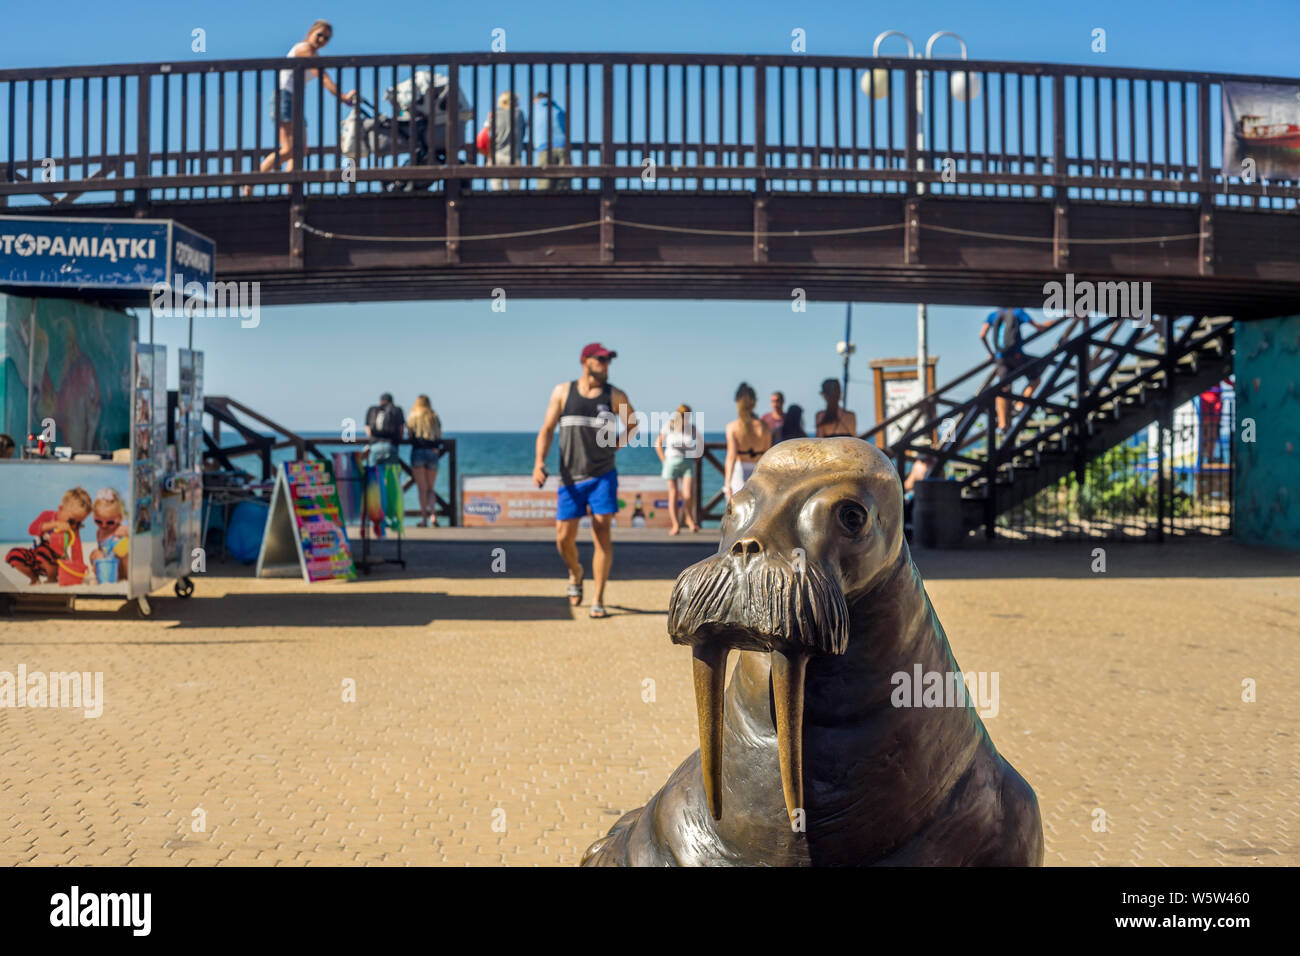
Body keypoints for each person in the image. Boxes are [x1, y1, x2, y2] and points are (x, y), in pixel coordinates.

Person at [534, 343, 636, 619]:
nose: (605, 365)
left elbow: (633, 424)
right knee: (563, 538)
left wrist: (616, 444)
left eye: (607, 361)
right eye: (600, 360)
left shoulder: (615, 395)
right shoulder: (562, 392)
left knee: (602, 529)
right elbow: (546, 430)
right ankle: (576, 572)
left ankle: (598, 599)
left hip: (603, 474)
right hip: (570, 478)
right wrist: (539, 463)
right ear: (585, 361)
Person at [244, 20, 356, 195]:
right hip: (285, 98)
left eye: (326, 38)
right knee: (289, 149)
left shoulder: (314, 55)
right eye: (319, 35)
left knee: (300, 149)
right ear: (310, 32)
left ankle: (291, 190)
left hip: (294, 102)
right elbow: (324, 79)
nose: (321, 40)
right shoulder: (305, 50)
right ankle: (251, 182)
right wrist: (343, 97)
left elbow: (325, 76)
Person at [980, 306, 1057, 433]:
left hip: (1001, 358)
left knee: (1002, 389)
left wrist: (991, 353)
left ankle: (1003, 423)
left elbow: (982, 335)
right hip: (1017, 356)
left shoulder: (994, 314)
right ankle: (1020, 405)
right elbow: (1039, 327)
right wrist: (1054, 321)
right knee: (1036, 377)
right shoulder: (1018, 312)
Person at [5, 487, 92, 585]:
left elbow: (77, 552)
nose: (74, 525)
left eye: (79, 523)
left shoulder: (73, 530)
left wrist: (78, 571)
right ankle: (34, 579)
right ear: (61, 509)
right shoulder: (48, 516)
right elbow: (32, 529)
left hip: (55, 564)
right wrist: (55, 524)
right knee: (14, 555)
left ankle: (52, 579)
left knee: (46, 550)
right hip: (37, 559)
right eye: (72, 521)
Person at [655, 404, 701, 535]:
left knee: (688, 494)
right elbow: (657, 444)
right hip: (671, 461)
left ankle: (689, 520)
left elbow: (699, 443)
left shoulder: (691, 428)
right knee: (673, 493)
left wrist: (697, 455)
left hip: (687, 462)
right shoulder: (669, 426)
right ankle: (675, 524)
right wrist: (664, 460)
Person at [724, 383, 772, 499]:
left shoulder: (732, 427)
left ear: (737, 402)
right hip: (759, 473)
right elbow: (767, 456)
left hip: (739, 474)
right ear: (754, 402)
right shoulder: (764, 427)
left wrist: (727, 484)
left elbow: (731, 457)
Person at [407, 395, 443, 527]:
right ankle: (433, 515)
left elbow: (410, 435)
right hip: (432, 452)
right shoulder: (433, 416)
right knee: (430, 489)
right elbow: (439, 435)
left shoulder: (413, 416)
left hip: (418, 452)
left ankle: (424, 519)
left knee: (422, 489)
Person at [87, 487, 130, 579]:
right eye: (98, 521)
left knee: (125, 551)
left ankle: (127, 577)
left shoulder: (121, 529)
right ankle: (102, 574)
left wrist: (128, 534)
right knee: (94, 553)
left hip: (123, 569)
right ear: (94, 516)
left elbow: (137, 539)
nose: (104, 525)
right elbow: (101, 550)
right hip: (108, 568)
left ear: (118, 518)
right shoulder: (99, 533)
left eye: (110, 522)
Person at [487, 92, 527, 191]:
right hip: (514, 155)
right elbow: (522, 133)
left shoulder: (494, 114)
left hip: (497, 155)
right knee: (514, 191)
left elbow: (489, 134)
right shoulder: (519, 113)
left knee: (496, 191)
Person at [532, 92, 569, 191]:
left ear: (536, 100)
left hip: (545, 147)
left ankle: (543, 204)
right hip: (562, 146)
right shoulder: (559, 110)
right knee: (563, 181)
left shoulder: (536, 110)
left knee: (545, 181)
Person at [365, 392, 405, 467]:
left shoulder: (372, 410)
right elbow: (401, 429)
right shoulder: (397, 410)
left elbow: (368, 430)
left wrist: (372, 439)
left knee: (374, 474)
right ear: (392, 402)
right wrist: (399, 439)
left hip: (375, 446)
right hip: (391, 445)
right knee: (392, 476)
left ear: (380, 401)